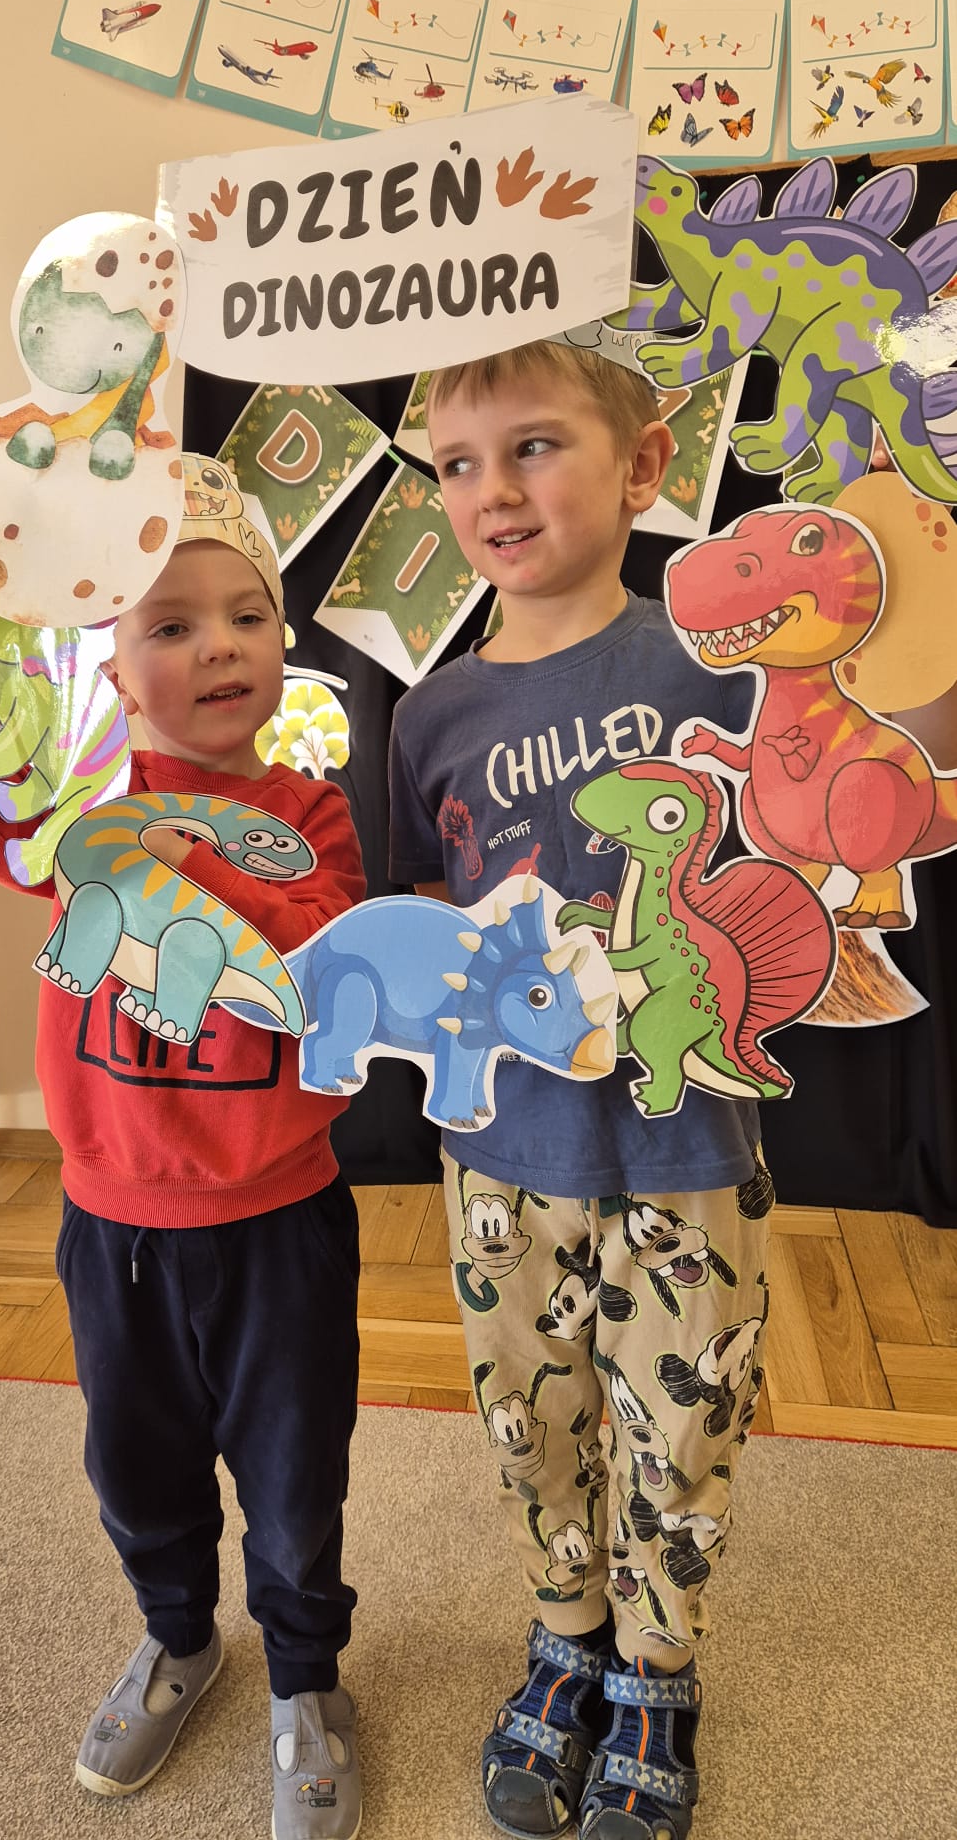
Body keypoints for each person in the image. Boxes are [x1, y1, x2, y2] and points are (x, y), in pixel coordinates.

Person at [0, 495, 367, 1840]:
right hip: (113, 1222)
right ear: (106, 659)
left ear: (282, 640)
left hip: (279, 1220)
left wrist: (190, 869)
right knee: (135, 1465)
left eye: (248, 615)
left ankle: (307, 1681)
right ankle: (178, 1637)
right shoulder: (78, 806)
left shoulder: (309, 812)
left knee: (294, 1476)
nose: (220, 645)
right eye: (171, 626)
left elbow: (319, 951)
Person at [387, 341, 771, 1840]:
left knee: (681, 1433)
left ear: (645, 466)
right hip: (503, 1157)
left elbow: (860, 795)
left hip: (688, 1145)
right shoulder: (430, 714)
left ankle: (659, 1672)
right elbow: (425, 921)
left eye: (534, 446)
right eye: (457, 464)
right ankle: (567, 1640)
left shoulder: (713, 665)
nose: (493, 490)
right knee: (528, 1422)